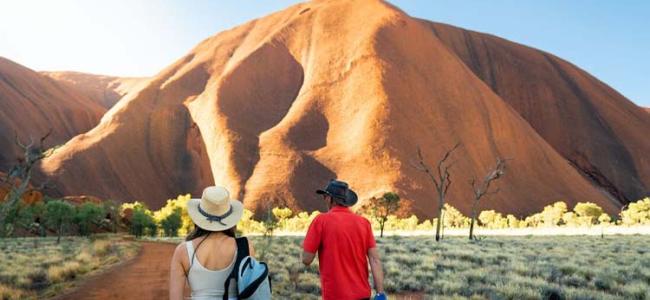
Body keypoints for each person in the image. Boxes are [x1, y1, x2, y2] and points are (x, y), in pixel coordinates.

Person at [302, 179, 386, 300]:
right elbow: (375, 260)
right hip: (362, 295)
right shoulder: (364, 223)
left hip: (335, 296)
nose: (324, 199)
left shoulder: (321, 221)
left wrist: (306, 245)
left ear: (330, 199)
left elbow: (306, 259)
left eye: (325, 196)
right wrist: (380, 293)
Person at [169, 186, 255, 300]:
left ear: (199, 217)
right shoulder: (245, 246)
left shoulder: (183, 250)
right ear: (229, 218)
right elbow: (253, 292)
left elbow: (175, 298)